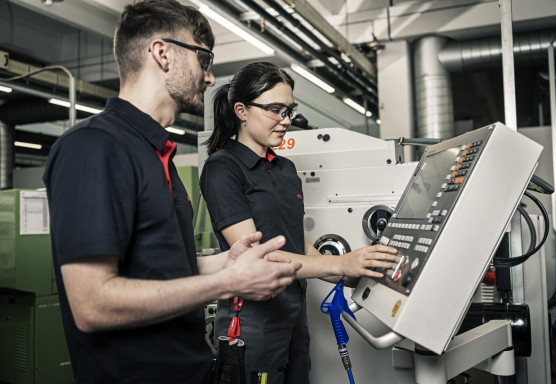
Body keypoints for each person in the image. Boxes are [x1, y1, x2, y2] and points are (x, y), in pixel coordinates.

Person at [42, 2, 301, 384]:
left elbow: (157, 270)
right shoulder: (94, 147)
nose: (210, 78)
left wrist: (228, 262)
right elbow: (92, 305)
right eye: (204, 59)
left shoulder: (155, 153)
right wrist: (227, 283)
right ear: (162, 53)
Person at [199, 62, 399, 384]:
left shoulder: (285, 170)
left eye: (289, 110)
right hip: (251, 324)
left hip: (294, 320)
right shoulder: (223, 169)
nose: (286, 121)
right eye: (275, 110)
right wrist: (343, 263)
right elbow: (257, 258)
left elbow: (297, 244)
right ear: (242, 110)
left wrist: (351, 274)